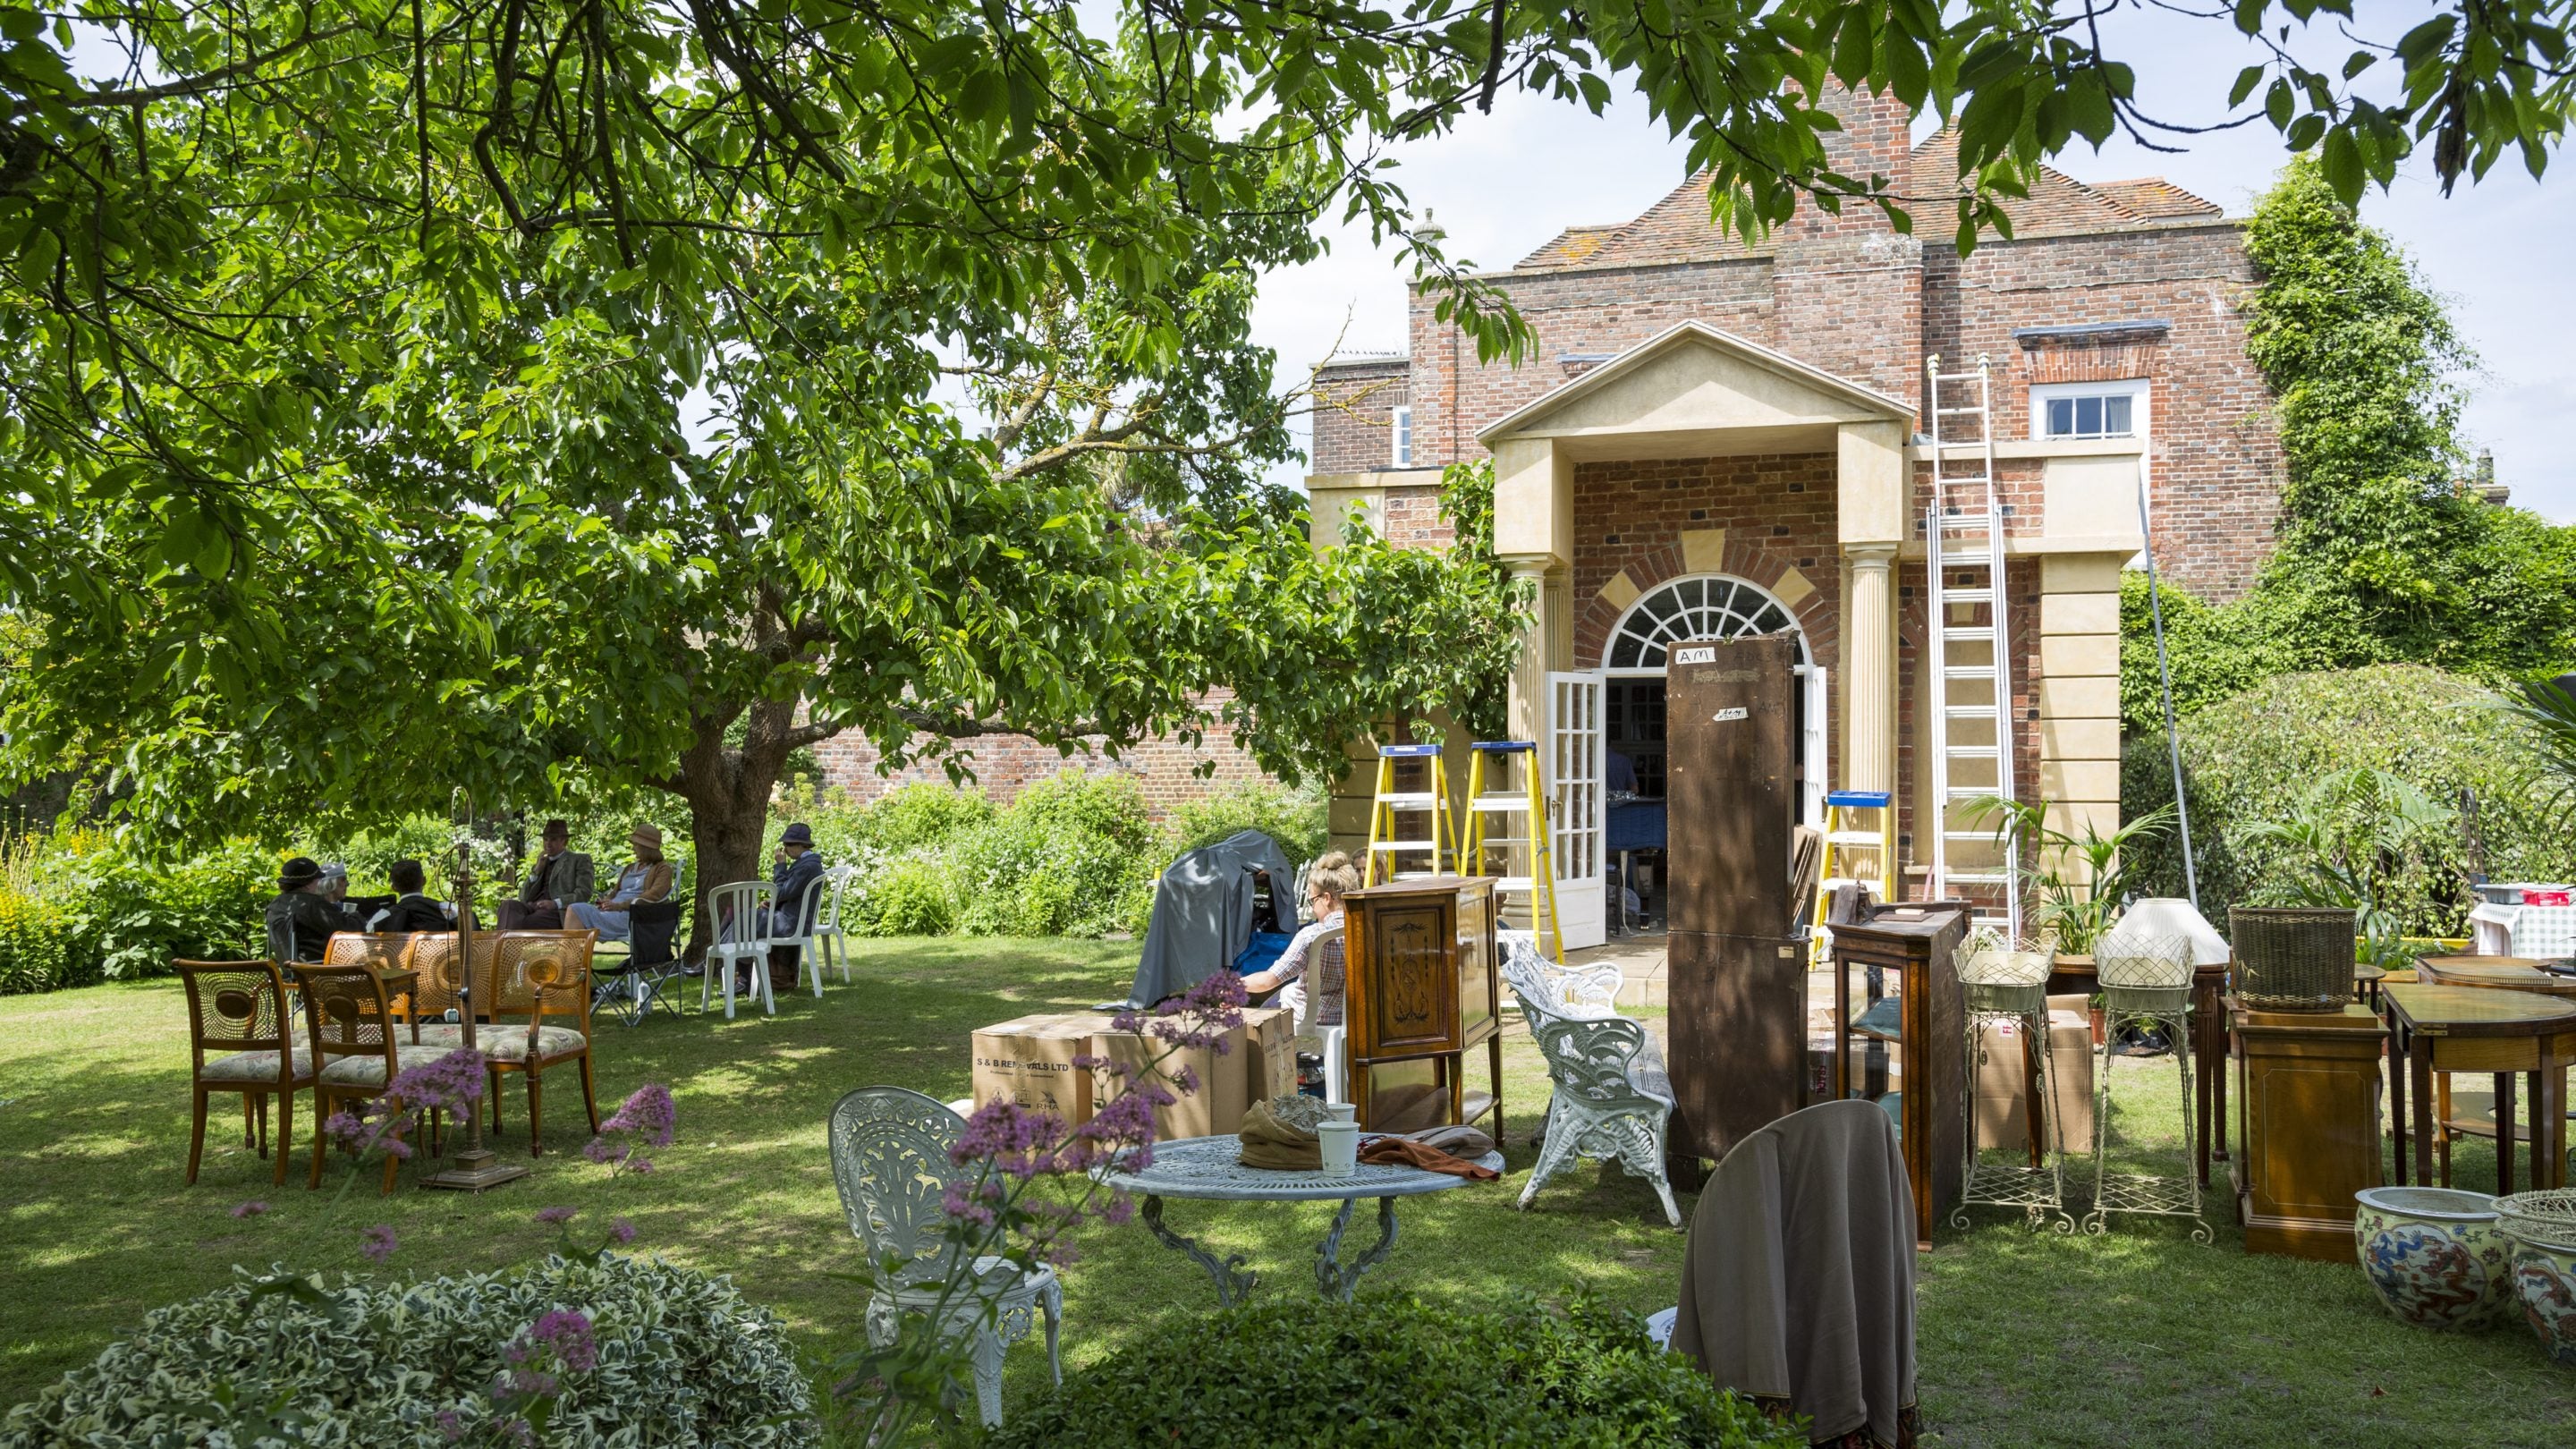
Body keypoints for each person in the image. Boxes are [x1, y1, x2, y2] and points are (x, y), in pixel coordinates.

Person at [1240, 851, 1361, 1024]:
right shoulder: (1366, 930)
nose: (1312, 909)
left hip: (1315, 1016)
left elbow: (1268, 980)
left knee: (1271, 1006)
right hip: (1355, 1016)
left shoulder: (1312, 935)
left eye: (1313, 901)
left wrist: (1233, 984)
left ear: (1326, 898)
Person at [568, 825, 675, 944]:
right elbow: (615, 892)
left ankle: (571, 959)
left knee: (576, 909)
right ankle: (574, 959)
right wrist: (606, 901)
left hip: (633, 915)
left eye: (636, 845)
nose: (633, 848)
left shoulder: (663, 869)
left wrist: (620, 906)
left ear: (646, 847)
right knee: (576, 909)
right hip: (613, 911)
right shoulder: (630, 867)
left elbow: (654, 895)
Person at [265, 856, 360, 964]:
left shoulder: (274, 905)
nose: (319, 882)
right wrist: (355, 916)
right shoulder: (313, 904)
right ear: (308, 884)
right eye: (317, 879)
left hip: (289, 973)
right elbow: (349, 930)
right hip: (319, 972)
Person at [504, 818, 594, 930]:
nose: (548, 844)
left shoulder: (578, 860)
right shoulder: (541, 862)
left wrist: (555, 903)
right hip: (533, 907)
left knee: (526, 921)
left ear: (564, 841)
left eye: (553, 840)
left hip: (557, 912)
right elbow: (523, 897)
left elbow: (584, 893)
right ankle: (501, 945)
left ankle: (499, 946)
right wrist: (536, 871)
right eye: (545, 839)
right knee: (507, 906)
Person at [372, 859, 456, 934]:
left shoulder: (382, 917)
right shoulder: (447, 910)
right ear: (424, 881)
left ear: (394, 888)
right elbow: (467, 929)